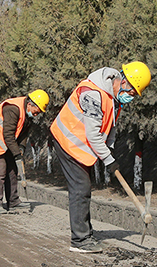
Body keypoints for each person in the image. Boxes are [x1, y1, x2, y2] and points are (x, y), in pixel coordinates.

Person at [51, 61, 151, 253]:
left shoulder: (114, 98)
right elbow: (93, 135)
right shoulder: (93, 94)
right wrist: (109, 160)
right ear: (125, 82)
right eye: (132, 93)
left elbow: (110, 128)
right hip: (67, 140)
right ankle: (80, 241)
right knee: (81, 187)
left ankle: (85, 233)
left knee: (83, 186)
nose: (131, 97)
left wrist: (109, 151)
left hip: (82, 145)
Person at [0, 90, 50, 213]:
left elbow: (23, 134)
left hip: (7, 141)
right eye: (36, 112)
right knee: (0, 170)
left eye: (38, 113)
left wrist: (21, 148)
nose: (36, 115)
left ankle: (13, 202)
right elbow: (8, 135)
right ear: (30, 104)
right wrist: (16, 154)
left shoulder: (27, 114)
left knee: (12, 170)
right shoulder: (13, 109)